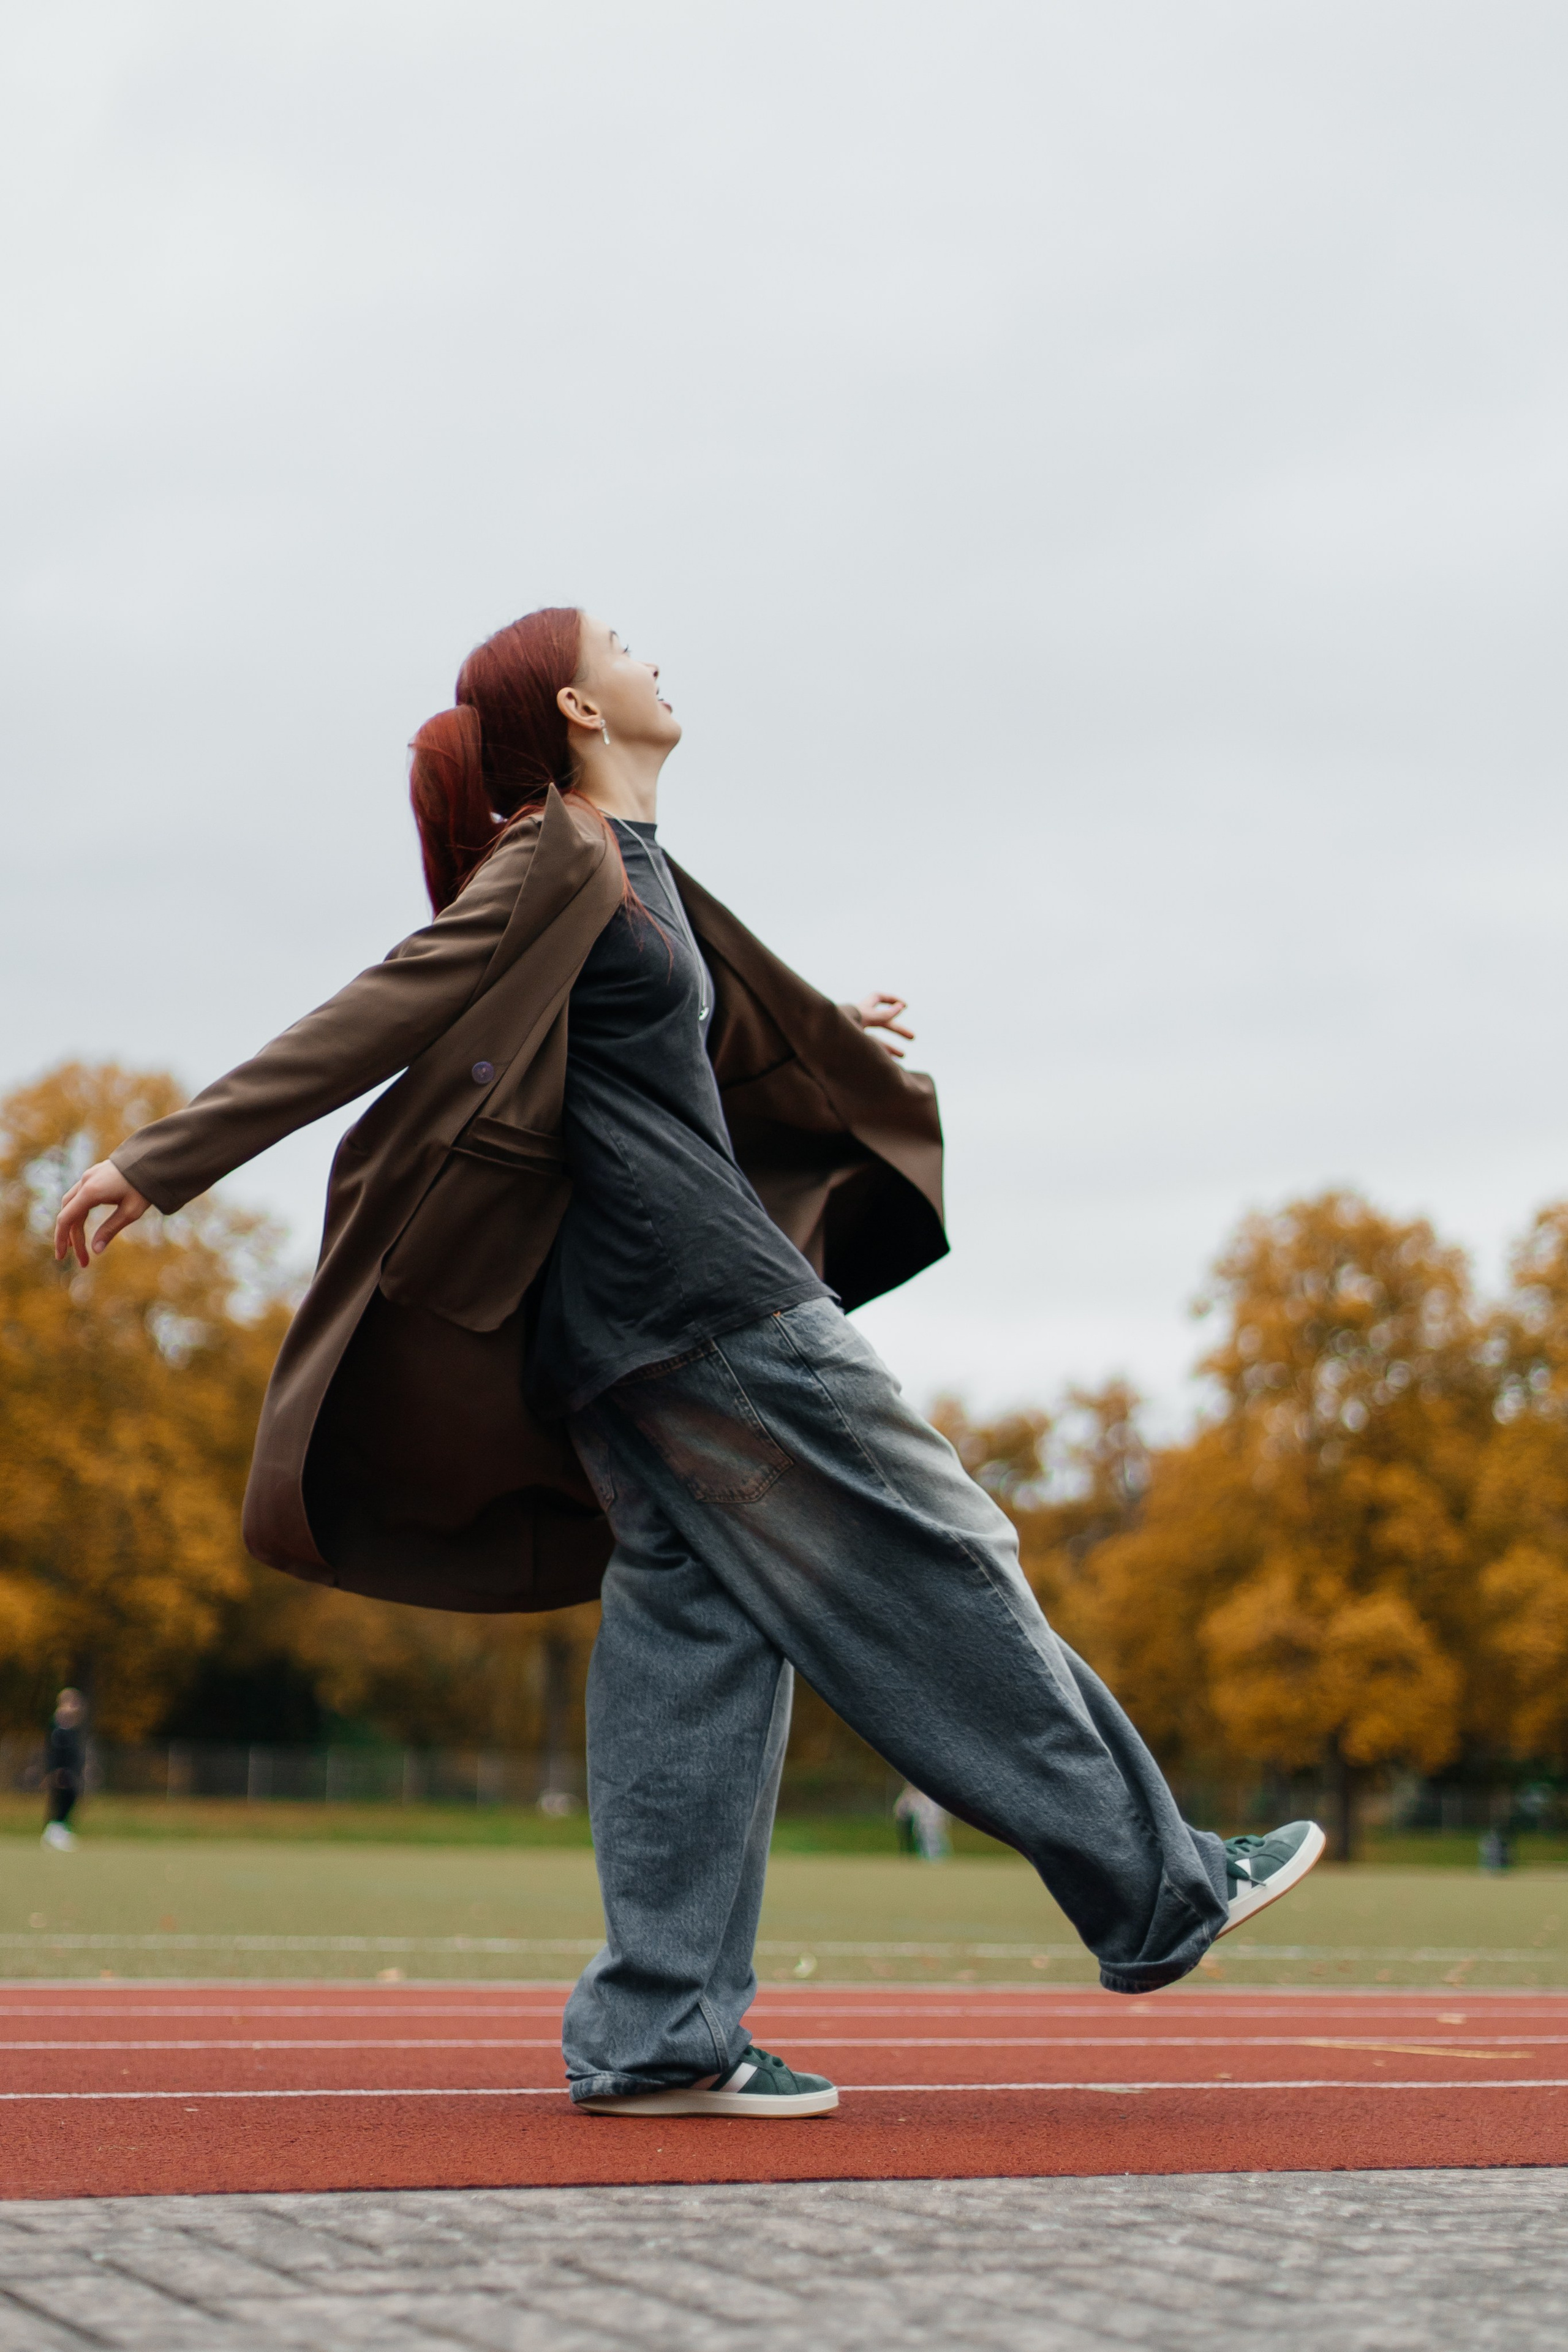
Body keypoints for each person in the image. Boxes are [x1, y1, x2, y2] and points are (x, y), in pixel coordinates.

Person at [55, 606, 1324, 2120]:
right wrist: (160, 1158)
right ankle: (1159, 1886)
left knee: (698, 1653)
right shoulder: (557, 853)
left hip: (626, 1345)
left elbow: (662, 1043)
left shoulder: (637, 874)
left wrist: (824, 1027)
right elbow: (381, 1006)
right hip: (708, 1310)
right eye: (623, 641)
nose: (653, 653)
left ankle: (658, 2029)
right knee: (941, 1552)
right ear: (579, 712)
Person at [40, 1688, 87, 1851]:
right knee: (63, 1797)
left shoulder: (70, 1726)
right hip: (61, 1769)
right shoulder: (57, 1725)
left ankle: (59, 1828)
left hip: (70, 1769)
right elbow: (55, 1751)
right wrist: (56, 1769)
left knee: (70, 1796)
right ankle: (54, 1830)